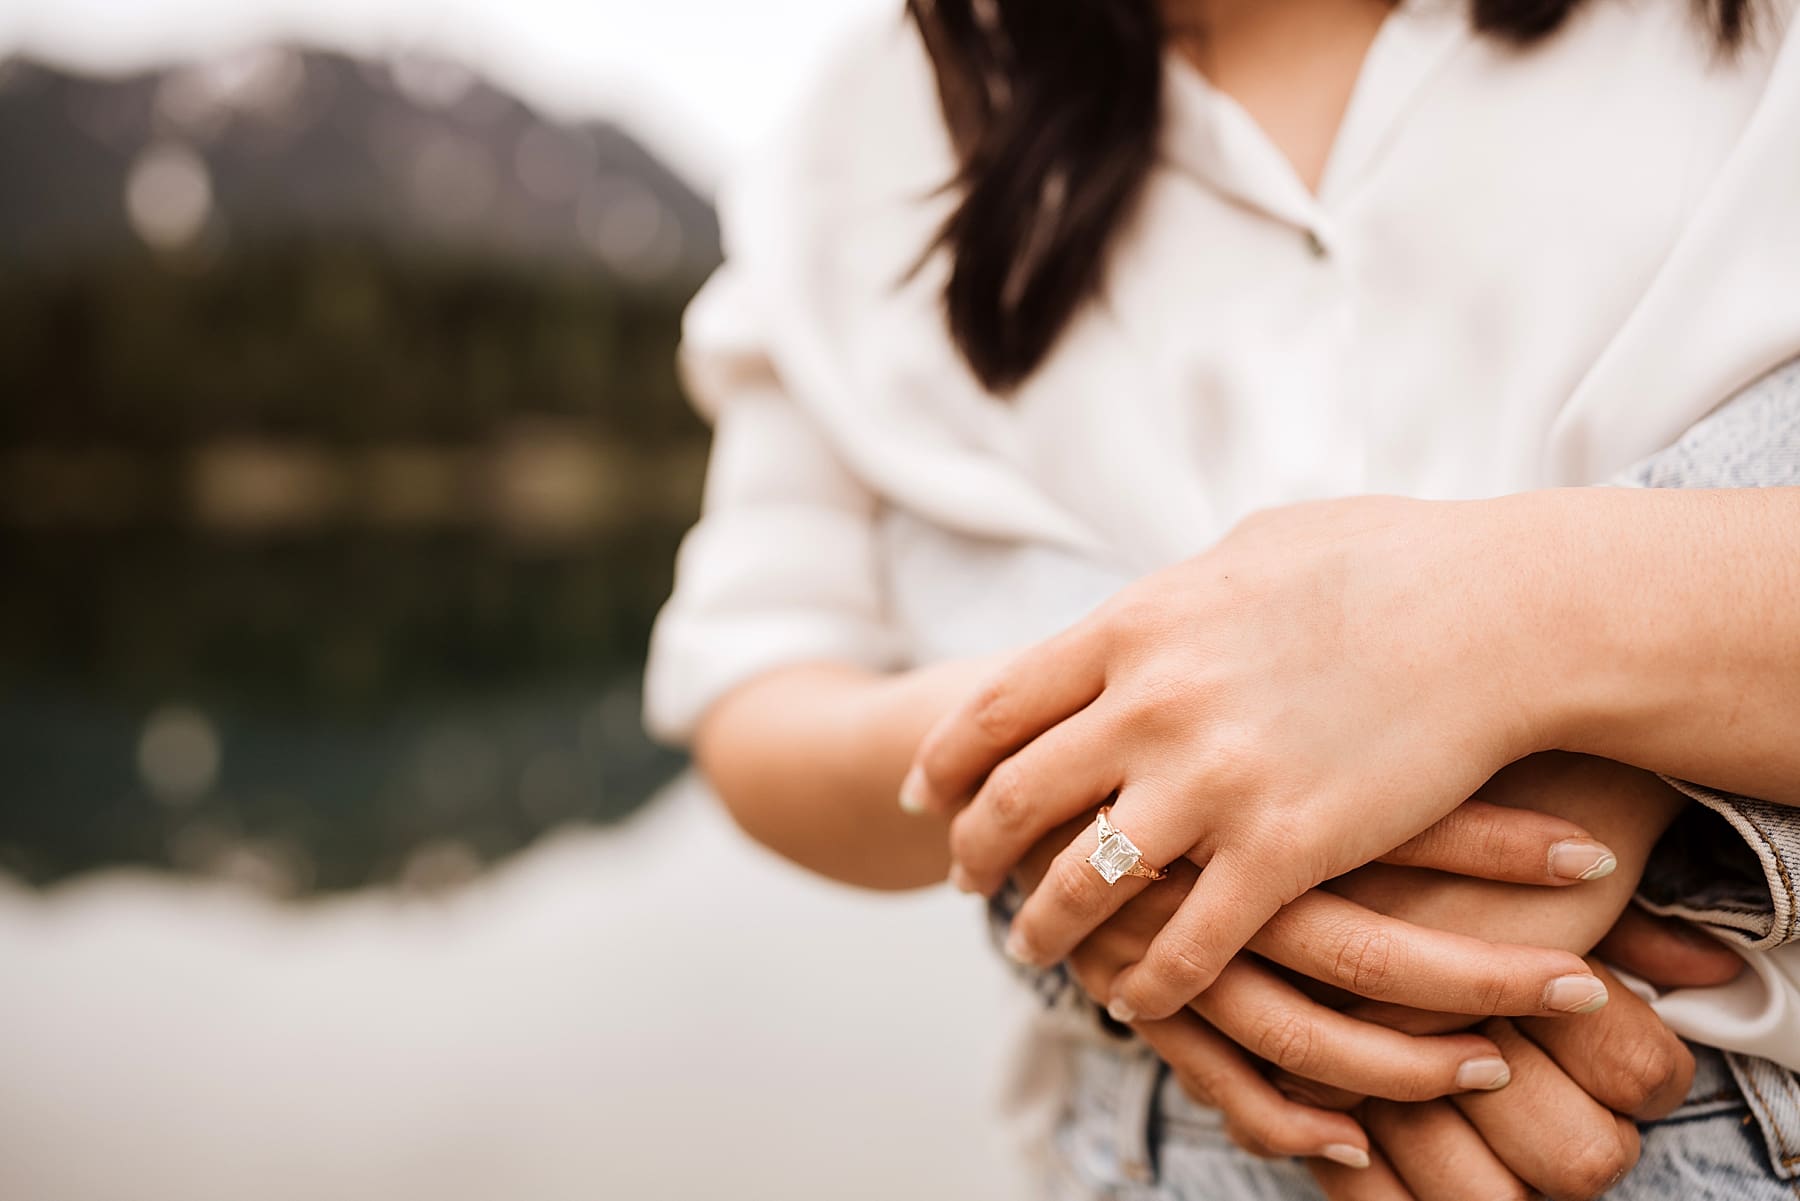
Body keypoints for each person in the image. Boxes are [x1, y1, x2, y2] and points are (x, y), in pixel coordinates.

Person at [643, 0, 1800, 1195]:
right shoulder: (874, 124)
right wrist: (1101, 777)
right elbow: (758, 689)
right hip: (1160, 1142)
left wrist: (1501, 635)